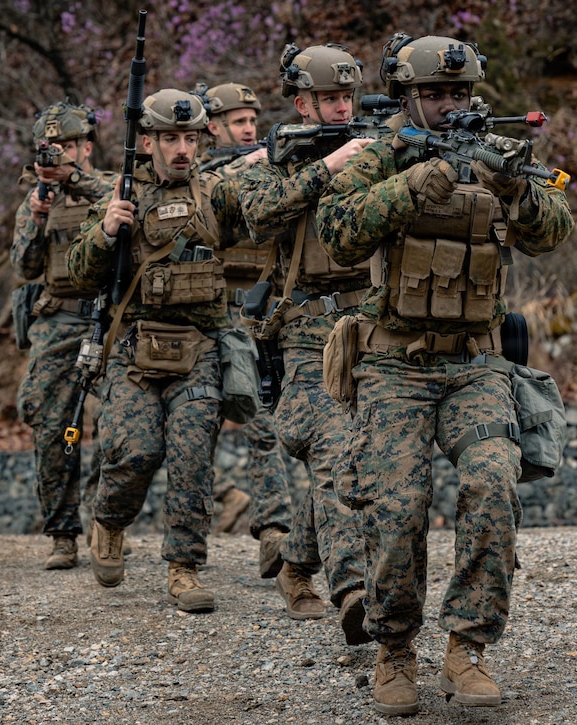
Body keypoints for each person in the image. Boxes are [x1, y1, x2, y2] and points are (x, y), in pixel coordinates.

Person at [315, 33, 574, 714]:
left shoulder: (496, 152)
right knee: (397, 508)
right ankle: (394, 648)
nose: (449, 103)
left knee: (492, 481)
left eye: (459, 92)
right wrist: (405, 187)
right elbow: (336, 230)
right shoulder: (382, 152)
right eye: (434, 93)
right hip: (394, 363)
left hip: (476, 363)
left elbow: (557, 227)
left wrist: (518, 191)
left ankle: (469, 645)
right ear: (408, 96)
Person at [67, 88, 246, 614]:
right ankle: (110, 520)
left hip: (199, 351)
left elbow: (268, 211)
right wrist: (104, 233)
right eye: (170, 138)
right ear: (146, 142)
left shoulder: (216, 191)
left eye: (190, 138)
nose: (182, 149)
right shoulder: (120, 196)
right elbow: (80, 274)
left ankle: (184, 567)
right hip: (132, 351)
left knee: (193, 458)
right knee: (135, 452)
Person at [238, 43, 374, 644]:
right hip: (306, 334)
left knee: (360, 463)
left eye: (347, 96)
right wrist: (329, 167)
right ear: (302, 102)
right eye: (328, 99)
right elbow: (258, 213)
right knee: (334, 455)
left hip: (373, 327)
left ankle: (296, 562)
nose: (341, 107)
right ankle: (353, 591)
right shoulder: (276, 159)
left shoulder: (377, 146)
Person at [11, 101, 116, 569]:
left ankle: (106, 524)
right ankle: (62, 533)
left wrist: (72, 180)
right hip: (58, 318)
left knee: (118, 424)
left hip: (110, 317)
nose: (60, 154)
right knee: (51, 424)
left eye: (69, 145)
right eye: (51, 148)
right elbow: (23, 267)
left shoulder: (110, 185)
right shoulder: (35, 199)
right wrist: (35, 220)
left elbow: (119, 208)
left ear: (86, 147)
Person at [195, 81, 294, 570]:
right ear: (212, 128)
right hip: (207, 321)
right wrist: (239, 169)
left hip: (260, 320)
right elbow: (202, 201)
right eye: (239, 122)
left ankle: (275, 528)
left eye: (253, 121)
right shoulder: (198, 174)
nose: (250, 129)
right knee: (191, 432)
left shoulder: (273, 166)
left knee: (264, 426)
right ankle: (206, 522)